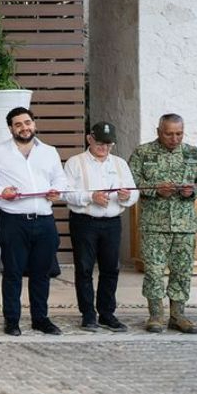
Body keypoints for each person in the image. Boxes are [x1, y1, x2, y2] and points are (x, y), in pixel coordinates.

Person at [0, 106, 69, 336]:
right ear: (10, 128)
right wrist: (1, 190)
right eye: (18, 124)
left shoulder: (49, 151)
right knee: (13, 272)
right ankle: (12, 320)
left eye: (27, 122)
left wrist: (56, 190)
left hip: (44, 220)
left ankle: (41, 318)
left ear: (34, 124)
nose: (24, 127)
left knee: (42, 272)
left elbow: (60, 177)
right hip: (13, 221)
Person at [129, 113, 197, 333]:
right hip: (153, 225)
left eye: (179, 133)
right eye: (169, 134)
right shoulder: (143, 152)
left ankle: (178, 315)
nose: (174, 138)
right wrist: (155, 189)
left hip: (184, 226)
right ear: (158, 132)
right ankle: (155, 315)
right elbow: (131, 182)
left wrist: (192, 190)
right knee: (154, 272)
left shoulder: (193, 154)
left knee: (182, 271)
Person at [62, 121, 137, 332]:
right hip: (84, 222)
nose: (103, 147)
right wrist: (90, 197)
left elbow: (134, 192)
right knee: (84, 269)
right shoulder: (75, 163)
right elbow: (65, 193)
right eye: (99, 142)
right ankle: (87, 314)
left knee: (111, 269)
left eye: (108, 143)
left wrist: (126, 196)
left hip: (112, 222)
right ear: (89, 139)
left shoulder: (120, 164)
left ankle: (107, 313)